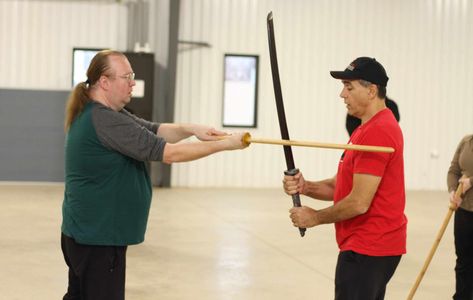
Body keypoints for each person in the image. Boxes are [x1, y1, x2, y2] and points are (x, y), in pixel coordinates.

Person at [61, 50, 248, 300]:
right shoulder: (105, 119)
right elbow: (169, 153)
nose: (132, 83)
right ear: (104, 82)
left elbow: (154, 131)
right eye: (126, 76)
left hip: (87, 234)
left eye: (133, 75)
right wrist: (225, 145)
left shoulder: (104, 114)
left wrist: (192, 129)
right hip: (98, 238)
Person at [283, 57, 407, 300]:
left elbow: (359, 201)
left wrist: (315, 217)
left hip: (370, 245)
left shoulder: (378, 132)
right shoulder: (365, 129)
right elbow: (340, 185)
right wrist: (305, 186)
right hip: (367, 245)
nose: (342, 94)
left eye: (349, 87)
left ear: (372, 90)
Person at [447, 135, 473, 300]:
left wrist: (471, 181)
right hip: (464, 211)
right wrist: (452, 190)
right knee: (463, 261)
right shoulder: (466, 142)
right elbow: (454, 170)